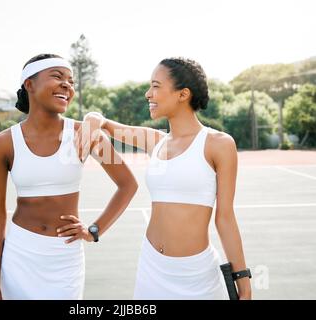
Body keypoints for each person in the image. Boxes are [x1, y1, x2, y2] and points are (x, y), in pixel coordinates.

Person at [81, 57, 252, 299]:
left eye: (156, 86)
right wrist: (91, 117)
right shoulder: (156, 141)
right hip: (151, 268)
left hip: (196, 275)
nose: (148, 94)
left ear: (183, 94)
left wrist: (243, 279)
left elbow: (225, 218)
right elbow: (105, 125)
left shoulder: (218, 144)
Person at [0, 54, 138, 300]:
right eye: (57, 76)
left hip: (65, 258)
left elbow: (128, 185)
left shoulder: (85, 134)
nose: (67, 85)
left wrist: (94, 230)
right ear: (29, 85)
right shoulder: (1, 145)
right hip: (20, 254)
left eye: (71, 81)